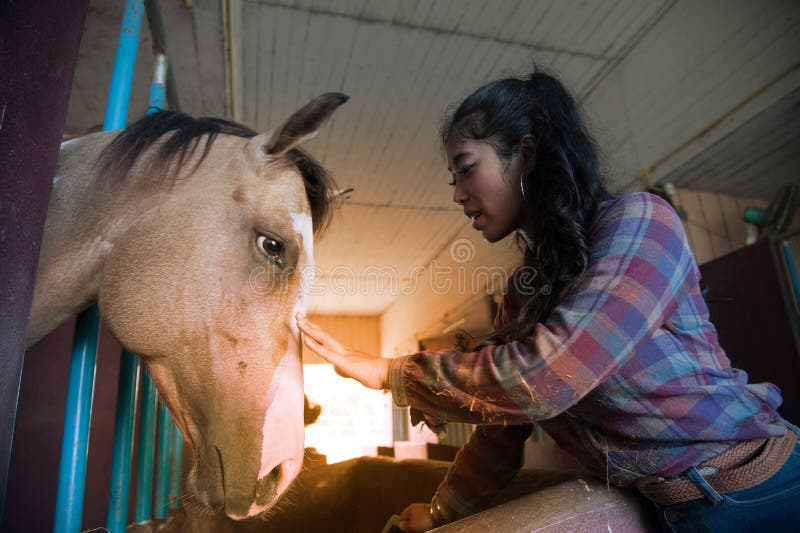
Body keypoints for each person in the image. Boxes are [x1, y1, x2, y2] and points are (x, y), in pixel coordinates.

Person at [296, 69, 799, 532]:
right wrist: (439, 512)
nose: (457, 194)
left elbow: (549, 376)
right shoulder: (524, 295)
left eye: (466, 169)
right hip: (673, 507)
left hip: (758, 488)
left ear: (528, 154)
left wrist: (388, 371)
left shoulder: (642, 223)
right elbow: (500, 432)